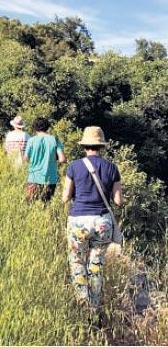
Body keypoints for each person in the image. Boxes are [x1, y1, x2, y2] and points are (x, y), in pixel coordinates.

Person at [62, 126, 124, 317]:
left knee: (77, 263)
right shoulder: (112, 167)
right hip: (102, 221)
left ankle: (83, 305)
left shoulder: (74, 166)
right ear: (101, 146)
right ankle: (94, 310)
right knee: (95, 267)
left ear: (84, 146)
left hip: (78, 220)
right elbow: (118, 201)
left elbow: (65, 197)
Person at [24, 117, 66, 202]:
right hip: (50, 179)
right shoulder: (54, 140)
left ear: (34, 127)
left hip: (34, 178)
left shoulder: (31, 140)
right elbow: (62, 159)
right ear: (47, 127)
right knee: (46, 205)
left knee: (31, 205)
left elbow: (26, 158)